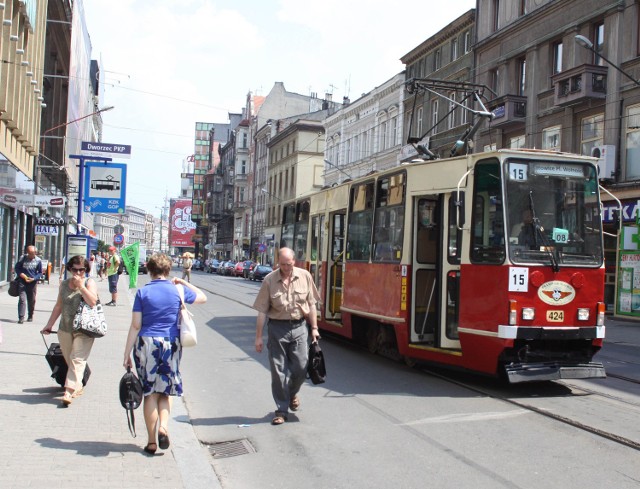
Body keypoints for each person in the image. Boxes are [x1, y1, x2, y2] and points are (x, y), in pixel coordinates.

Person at [123, 253, 206, 455]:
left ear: (150, 270)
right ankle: (164, 427)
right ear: (168, 270)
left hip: (146, 344)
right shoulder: (177, 290)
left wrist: (126, 353)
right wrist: (184, 284)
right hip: (171, 344)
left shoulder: (142, 293)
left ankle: (151, 442)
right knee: (166, 390)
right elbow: (203, 298)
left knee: (149, 392)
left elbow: (135, 325)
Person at [253, 247, 321, 426]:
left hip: (299, 327)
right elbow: (261, 311)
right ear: (278, 263)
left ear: (294, 262)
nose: (286, 267)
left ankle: (291, 393)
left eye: (289, 264)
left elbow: (311, 304)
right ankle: (281, 410)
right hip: (277, 328)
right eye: (282, 264)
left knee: (301, 367)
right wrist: (258, 337)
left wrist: (314, 328)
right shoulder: (269, 280)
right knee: (278, 371)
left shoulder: (305, 276)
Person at [41, 255, 97, 406]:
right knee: (69, 359)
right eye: (75, 269)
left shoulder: (89, 282)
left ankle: (68, 391)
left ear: (86, 270)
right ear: (70, 269)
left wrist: (82, 287)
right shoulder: (64, 284)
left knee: (77, 359)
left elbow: (92, 301)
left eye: (82, 270)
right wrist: (49, 325)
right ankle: (77, 386)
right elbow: (58, 306)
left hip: (84, 329)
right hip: (65, 328)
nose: (78, 273)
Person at [15, 245, 43, 324]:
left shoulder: (38, 260)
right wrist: (21, 275)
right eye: (30, 253)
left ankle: (30, 315)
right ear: (27, 253)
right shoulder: (22, 258)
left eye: (34, 253)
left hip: (32, 283)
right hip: (22, 281)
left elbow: (40, 273)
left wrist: (34, 278)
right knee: (22, 299)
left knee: (31, 300)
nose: (32, 255)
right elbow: (17, 268)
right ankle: (21, 317)